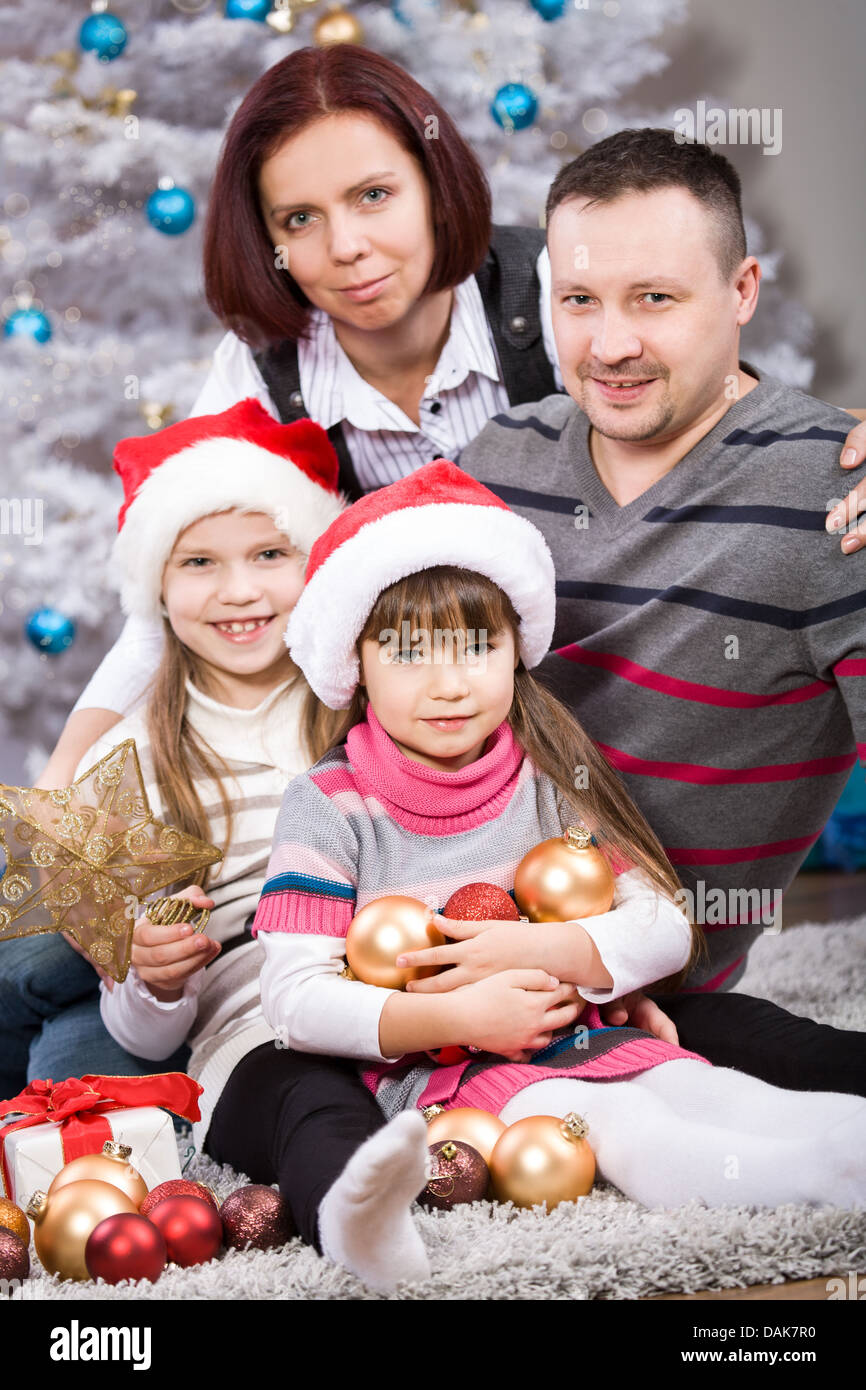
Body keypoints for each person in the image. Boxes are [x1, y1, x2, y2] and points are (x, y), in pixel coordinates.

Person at [36, 45, 866, 792]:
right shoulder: (257, 372)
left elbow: (690, 391)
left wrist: (836, 438)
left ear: (435, 185)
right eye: (300, 220)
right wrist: (62, 785)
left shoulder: (556, 289)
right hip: (395, 741)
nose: (347, 246)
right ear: (265, 239)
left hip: (588, 697)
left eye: (374, 195)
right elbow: (177, 604)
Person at [213, 460, 863, 1288]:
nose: (449, 684)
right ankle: (814, 1182)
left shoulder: (547, 778)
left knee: (712, 1087)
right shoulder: (331, 805)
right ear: (357, 665)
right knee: (618, 1126)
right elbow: (297, 1002)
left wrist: (543, 957)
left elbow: (661, 922)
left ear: (516, 650)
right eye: (409, 655)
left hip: (595, 1034)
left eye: (476, 647)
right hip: (448, 1079)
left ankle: (845, 1145)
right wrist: (461, 1012)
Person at [453, 127, 866, 1094]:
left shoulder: (834, 500)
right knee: (56, 985)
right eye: (580, 302)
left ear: (742, 292)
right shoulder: (501, 456)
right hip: (406, 909)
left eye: (655, 300)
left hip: (636, 980)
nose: (613, 345)